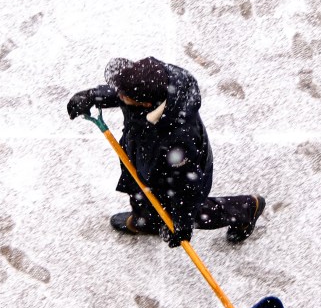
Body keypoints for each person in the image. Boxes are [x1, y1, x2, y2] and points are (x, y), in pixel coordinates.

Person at [66, 57, 265, 248]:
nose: (118, 96)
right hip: (144, 157)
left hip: (175, 175)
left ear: (144, 104)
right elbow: (126, 89)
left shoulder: (177, 141)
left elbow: (186, 188)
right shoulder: (155, 81)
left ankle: (246, 208)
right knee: (140, 191)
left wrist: (182, 224)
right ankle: (147, 221)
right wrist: (94, 95)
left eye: (122, 95)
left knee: (185, 210)